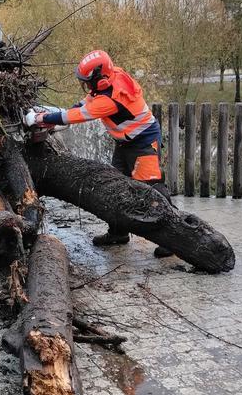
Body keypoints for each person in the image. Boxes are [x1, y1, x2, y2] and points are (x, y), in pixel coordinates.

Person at [31, 50, 173, 256]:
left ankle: (173, 234)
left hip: (143, 142)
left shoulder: (111, 99)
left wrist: (42, 118)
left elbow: (83, 114)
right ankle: (118, 233)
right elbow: (89, 100)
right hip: (124, 142)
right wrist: (66, 112)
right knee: (117, 188)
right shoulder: (110, 77)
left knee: (153, 189)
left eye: (88, 82)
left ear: (100, 79)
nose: (86, 87)